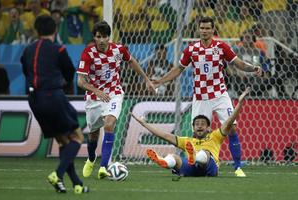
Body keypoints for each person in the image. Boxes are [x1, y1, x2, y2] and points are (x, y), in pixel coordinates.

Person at [153, 17, 262, 177]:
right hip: (201, 97)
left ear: (213, 30)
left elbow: (237, 63)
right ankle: (196, 165)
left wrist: (253, 68)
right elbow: (179, 69)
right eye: (202, 28)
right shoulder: (191, 49)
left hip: (220, 94)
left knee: (232, 127)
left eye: (207, 28)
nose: (204, 30)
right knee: (197, 133)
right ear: (198, 29)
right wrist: (160, 81)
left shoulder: (221, 46)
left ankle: (238, 167)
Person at [77, 20, 156, 179]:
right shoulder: (88, 53)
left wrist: (146, 79)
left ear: (108, 37)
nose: (101, 40)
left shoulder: (118, 49)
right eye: (98, 37)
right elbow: (80, 81)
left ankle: (104, 167)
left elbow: (132, 61)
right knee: (93, 134)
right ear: (94, 37)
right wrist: (96, 91)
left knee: (109, 124)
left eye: (104, 37)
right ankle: (91, 158)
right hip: (94, 97)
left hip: (114, 93)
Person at [20, 15, 88, 194]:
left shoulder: (27, 50)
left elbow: (25, 70)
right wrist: (64, 84)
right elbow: (69, 71)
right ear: (55, 30)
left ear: (37, 31)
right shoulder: (58, 49)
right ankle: (57, 174)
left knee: (63, 142)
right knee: (77, 137)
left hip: (34, 100)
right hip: (52, 96)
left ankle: (77, 184)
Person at [131, 87, 251, 177]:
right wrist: (144, 124)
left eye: (203, 124)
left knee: (206, 153)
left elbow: (229, 122)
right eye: (197, 124)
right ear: (193, 128)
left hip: (210, 168)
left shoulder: (215, 136)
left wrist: (239, 103)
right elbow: (164, 135)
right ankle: (165, 161)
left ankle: (195, 156)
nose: (199, 126)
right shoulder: (187, 141)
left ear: (208, 128)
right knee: (175, 157)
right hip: (191, 168)